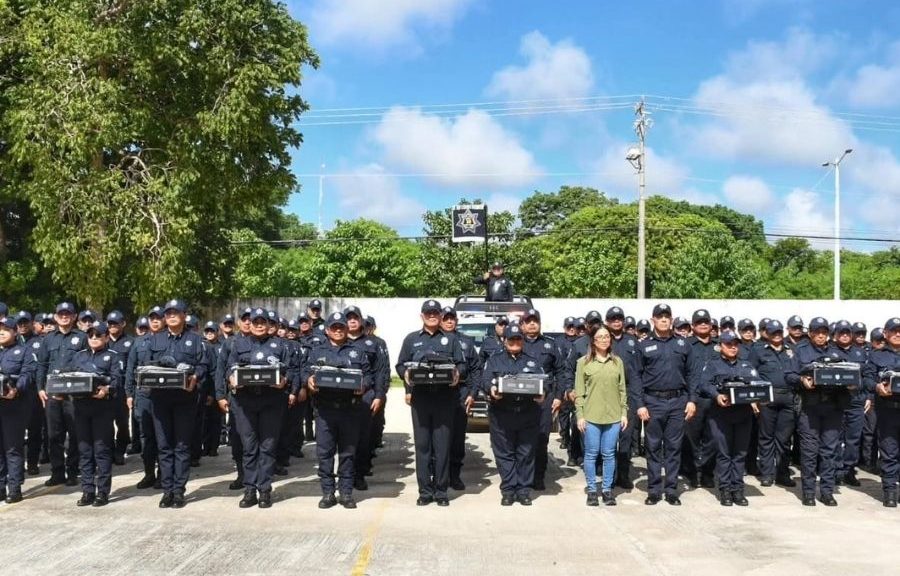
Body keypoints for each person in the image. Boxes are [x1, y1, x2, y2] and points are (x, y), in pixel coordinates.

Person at [395, 300, 467, 507]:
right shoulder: (411, 339)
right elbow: (400, 365)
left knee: (442, 446)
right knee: (423, 446)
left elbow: (462, 365)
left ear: (441, 316)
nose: (432, 316)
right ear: (422, 316)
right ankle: (425, 491)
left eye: (436, 313)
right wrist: (406, 374)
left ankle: (441, 491)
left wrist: (456, 374)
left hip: (445, 399)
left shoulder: (451, 340)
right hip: (422, 399)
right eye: (428, 313)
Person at [222, 308, 295, 509]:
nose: (259, 325)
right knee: (249, 447)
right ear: (250, 324)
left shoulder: (279, 345)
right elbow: (230, 368)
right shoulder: (239, 344)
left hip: (272, 401)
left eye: (263, 322)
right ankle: (249, 490)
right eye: (255, 322)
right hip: (245, 402)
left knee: (268, 447)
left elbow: (290, 370)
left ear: (268, 324)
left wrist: (284, 382)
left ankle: (264, 490)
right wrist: (232, 380)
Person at [143, 299, 208, 509]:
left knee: (181, 446)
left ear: (184, 315)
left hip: (184, 399)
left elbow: (204, 365)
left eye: (175, 312)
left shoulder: (195, 340)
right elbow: (146, 365)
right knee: (164, 446)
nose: (171, 316)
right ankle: (167, 490)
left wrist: (195, 379)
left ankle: (179, 491)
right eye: (168, 313)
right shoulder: (155, 340)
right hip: (160, 399)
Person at [301, 312, 368, 509]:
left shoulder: (357, 351)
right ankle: (328, 492)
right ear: (328, 330)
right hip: (325, 410)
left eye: (341, 327)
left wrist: (364, 385)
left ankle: (346, 492)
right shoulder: (316, 351)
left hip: (350, 409)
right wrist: (309, 381)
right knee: (325, 453)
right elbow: (305, 371)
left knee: (348, 453)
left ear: (347, 329)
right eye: (334, 327)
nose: (338, 331)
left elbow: (369, 374)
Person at [635, 303, 698, 506]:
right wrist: (640, 404)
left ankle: (671, 490)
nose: (663, 320)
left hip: (678, 402)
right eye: (659, 316)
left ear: (672, 319)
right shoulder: (643, 345)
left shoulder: (683, 344)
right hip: (652, 402)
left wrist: (691, 400)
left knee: (673, 447)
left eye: (666, 317)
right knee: (653, 447)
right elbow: (636, 376)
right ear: (652, 319)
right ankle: (654, 490)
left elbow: (692, 374)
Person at [789, 317, 850, 506]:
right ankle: (808, 492)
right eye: (817, 332)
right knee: (809, 451)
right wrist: (802, 381)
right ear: (811, 333)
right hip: (810, 408)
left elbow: (853, 374)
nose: (821, 335)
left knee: (829, 452)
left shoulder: (836, 352)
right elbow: (788, 375)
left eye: (824, 332)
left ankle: (826, 492)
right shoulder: (800, 351)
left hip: (833, 407)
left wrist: (851, 382)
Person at [482, 323, 544, 505]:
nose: (515, 342)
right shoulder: (494, 360)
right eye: (511, 339)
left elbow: (545, 382)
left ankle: (524, 490)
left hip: (527, 413)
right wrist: (491, 389)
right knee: (504, 454)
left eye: (518, 339)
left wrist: (543, 393)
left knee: (525, 453)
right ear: (504, 340)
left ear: (522, 340)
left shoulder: (533, 360)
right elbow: (486, 380)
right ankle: (508, 490)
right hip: (502, 414)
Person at [698, 331, 756, 506]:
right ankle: (725, 490)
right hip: (721, 415)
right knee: (724, 454)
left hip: (743, 414)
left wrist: (756, 399)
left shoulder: (746, 365)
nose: (732, 347)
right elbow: (704, 384)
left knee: (739, 454)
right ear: (721, 346)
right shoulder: (713, 365)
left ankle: (737, 490)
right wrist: (716, 395)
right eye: (728, 344)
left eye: (735, 344)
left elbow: (757, 382)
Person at [69, 322, 122, 507]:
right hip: (81, 407)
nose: (94, 339)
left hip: (102, 409)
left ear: (106, 337)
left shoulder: (112, 357)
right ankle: (87, 491)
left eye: (98, 335)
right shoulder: (78, 357)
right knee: (84, 450)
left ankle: (103, 492)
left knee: (102, 450)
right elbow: (71, 377)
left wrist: (107, 389)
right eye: (91, 335)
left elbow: (117, 380)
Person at [574, 325, 627, 506]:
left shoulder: (617, 362)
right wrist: (580, 415)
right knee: (590, 454)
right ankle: (591, 490)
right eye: (600, 337)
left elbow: (622, 390)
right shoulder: (583, 363)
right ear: (593, 341)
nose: (604, 340)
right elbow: (579, 392)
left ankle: (606, 489)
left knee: (609, 454)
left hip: (613, 416)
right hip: (591, 416)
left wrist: (624, 413)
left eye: (607, 337)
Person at [36, 302, 87, 487]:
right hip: (52, 394)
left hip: (73, 395)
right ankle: (57, 472)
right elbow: (41, 365)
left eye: (68, 314)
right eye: (61, 314)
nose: (64, 316)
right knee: (54, 435)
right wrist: (40, 388)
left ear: (74, 317)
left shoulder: (82, 337)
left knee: (74, 434)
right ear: (56, 317)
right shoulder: (48, 339)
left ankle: (73, 471)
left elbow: (85, 363)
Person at [749, 320, 798, 488]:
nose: (776, 334)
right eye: (773, 332)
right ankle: (767, 474)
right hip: (766, 398)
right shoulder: (758, 351)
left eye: (779, 331)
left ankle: (782, 474)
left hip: (788, 398)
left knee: (784, 439)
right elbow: (750, 374)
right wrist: (754, 399)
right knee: (766, 437)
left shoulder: (791, 350)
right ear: (767, 334)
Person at [345, 305, 387, 492]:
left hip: (365, 397)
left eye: (356, 317)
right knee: (344, 440)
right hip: (340, 398)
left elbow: (381, 372)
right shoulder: (336, 341)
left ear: (361, 321)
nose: (352, 320)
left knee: (363, 439)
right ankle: (345, 474)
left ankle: (360, 474)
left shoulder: (373, 344)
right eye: (349, 318)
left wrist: (379, 395)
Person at [440, 307, 480, 491]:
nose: (449, 322)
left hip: (460, 392)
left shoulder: (466, 342)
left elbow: (475, 369)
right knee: (438, 437)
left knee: (457, 438)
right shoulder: (432, 339)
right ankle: (438, 474)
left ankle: (454, 476)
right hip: (436, 393)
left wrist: (472, 393)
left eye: (452, 318)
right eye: (446, 318)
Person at [0, 316, 37, 504]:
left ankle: (14, 489)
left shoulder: (24, 351)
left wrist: (16, 389)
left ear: (15, 331)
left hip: (13, 406)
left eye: (5, 329)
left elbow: (28, 374)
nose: (1, 332)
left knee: (12, 448)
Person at [864, 317, 900, 507]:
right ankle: (890, 492)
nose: (898, 334)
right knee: (889, 452)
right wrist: (877, 387)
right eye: (894, 331)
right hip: (887, 411)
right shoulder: (876, 356)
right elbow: (867, 379)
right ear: (885, 333)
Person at [682, 309, 719, 489]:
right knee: (691, 438)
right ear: (693, 326)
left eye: (706, 322)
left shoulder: (719, 346)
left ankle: (707, 473)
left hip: (714, 399)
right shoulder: (686, 345)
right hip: (693, 398)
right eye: (699, 322)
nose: (703, 324)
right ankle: (692, 474)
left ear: (711, 325)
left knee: (713, 439)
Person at [831, 320, 869, 487]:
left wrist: (869, 397)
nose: (845, 335)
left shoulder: (860, 353)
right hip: (836, 401)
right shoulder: (830, 352)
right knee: (835, 438)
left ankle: (849, 470)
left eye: (847, 332)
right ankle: (836, 471)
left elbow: (868, 376)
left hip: (856, 401)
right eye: (841, 332)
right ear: (835, 335)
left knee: (853, 438)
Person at [106, 311, 133, 466]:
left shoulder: (130, 342)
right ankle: (109, 451)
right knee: (106, 422)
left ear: (123, 324)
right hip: (106, 388)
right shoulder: (103, 340)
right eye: (110, 323)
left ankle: (120, 450)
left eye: (116, 323)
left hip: (122, 388)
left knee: (122, 423)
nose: (112, 326)